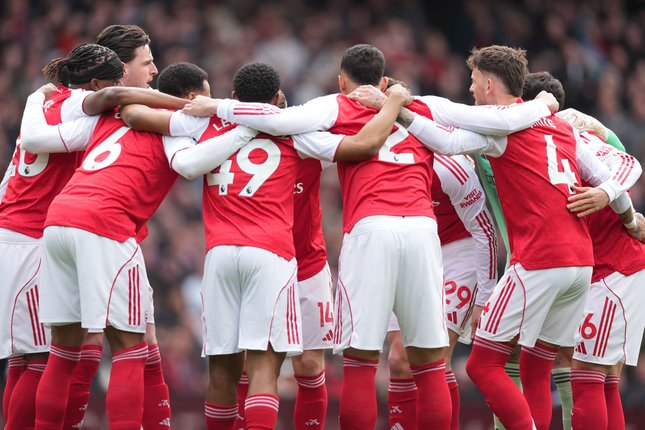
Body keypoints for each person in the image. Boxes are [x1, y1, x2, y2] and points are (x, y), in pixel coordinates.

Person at [119, 60, 409, 430]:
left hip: (276, 261)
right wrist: (394, 102)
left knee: (271, 366)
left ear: (234, 97)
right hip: (273, 256)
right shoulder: (297, 135)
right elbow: (362, 145)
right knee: (261, 368)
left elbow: (138, 116)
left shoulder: (213, 128)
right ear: (275, 99)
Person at [358, 45, 636, 430]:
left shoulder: (502, 126)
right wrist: (623, 210)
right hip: (581, 264)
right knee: (543, 366)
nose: (471, 89)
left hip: (541, 259)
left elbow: (446, 135)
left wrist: (398, 108)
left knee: (482, 364)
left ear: (490, 85)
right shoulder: (561, 128)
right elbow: (611, 172)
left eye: (474, 81)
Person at [22, 62, 217, 430]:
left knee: (62, 351)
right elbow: (189, 162)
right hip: (105, 224)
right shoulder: (182, 123)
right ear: (192, 97)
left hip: (59, 219)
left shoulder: (112, 115)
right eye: (206, 97)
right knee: (130, 347)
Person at [0, 42, 140, 430]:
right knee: (41, 358)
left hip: (18, 233)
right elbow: (106, 103)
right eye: (114, 82)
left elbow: (10, 176)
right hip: (29, 238)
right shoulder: (78, 104)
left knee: (25, 358)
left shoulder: (49, 104)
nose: (119, 90)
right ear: (94, 84)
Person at [522, 71, 645, 430]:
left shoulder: (569, 134)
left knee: (587, 374)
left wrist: (615, 202)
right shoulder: (541, 140)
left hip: (615, 268)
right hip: (595, 268)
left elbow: (627, 164)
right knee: (603, 380)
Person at [59, 24, 166, 430]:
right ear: (120, 69)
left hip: (66, 225)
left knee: (122, 339)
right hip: (100, 227)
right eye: (147, 62)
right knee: (127, 342)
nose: (154, 70)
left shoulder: (63, 104)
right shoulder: (97, 107)